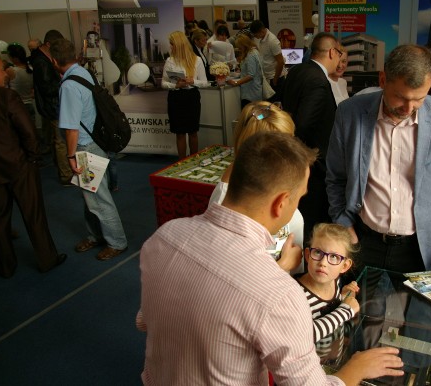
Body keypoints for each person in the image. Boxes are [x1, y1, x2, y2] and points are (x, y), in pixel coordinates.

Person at [139, 131, 404, 385]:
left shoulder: (165, 236)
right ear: (281, 203)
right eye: (299, 198)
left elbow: (144, 319)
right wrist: (354, 370)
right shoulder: (278, 293)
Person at [326, 44, 431, 278]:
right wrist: (344, 225)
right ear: (383, 80)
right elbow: (335, 178)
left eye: (419, 100)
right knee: (362, 311)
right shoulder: (349, 113)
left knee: (419, 315)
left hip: (421, 248)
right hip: (364, 240)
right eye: (401, 97)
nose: (409, 108)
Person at [0, 51, 66, 277]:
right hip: (18, 165)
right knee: (34, 215)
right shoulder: (6, 97)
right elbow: (28, 131)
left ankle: (4, 266)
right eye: (2, 69)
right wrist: (32, 158)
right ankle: (47, 259)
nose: (6, 74)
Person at [50, 38, 129, 261]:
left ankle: (116, 242)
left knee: (98, 199)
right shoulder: (83, 73)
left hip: (85, 148)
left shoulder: (68, 86)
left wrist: (70, 156)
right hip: (96, 143)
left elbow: (71, 129)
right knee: (91, 196)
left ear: (55, 61)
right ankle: (95, 235)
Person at [208, 101, 303, 274]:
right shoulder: (226, 203)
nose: (292, 152)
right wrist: (284, 266)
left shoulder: (267, 180)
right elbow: (234, 275)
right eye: (283, 148)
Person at [283, 32, 340, 241]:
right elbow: (303, 124)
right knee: (313, 220)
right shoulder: (318, 81)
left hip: (298, 160)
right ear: (333, 52)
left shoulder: (297, 70)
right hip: (314, 162)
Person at [296, 223, 360, 343]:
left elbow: (331, 321)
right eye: (318, 253)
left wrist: (343, 297)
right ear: (307, 255)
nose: (323, 263)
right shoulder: (295, 294)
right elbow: (305, 336)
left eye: (334, 257)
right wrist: (346, 309)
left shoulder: (335, 281)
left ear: (344, 266)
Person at [31, 29, 72, 186]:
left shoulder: (44, 60)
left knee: (59, 140)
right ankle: (66, 175)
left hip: (53, 106)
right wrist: (65, 82)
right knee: (61, 140)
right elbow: (47, 89)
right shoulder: (41, 62)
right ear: (48, 44)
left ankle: (63, 170)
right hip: (53, 107)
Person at [161, 31, 208, 159]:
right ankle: (181, 161)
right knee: (179, 133)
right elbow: (163, 83)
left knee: (193, 132)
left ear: (179, 45)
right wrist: (175, 85)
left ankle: (193, 160)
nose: (170, 47)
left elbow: (205, 82)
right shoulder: (170, 61)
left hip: (191, 97)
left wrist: (193, 81)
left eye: (172, 44)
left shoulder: (196, 60)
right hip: (175, 98)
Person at [250, 19, 285, 102]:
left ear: (261, 31)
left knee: (275, 106)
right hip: (267, 78)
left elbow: (280, 62)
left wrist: (275, 79)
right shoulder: (261, 39)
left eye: (256, 34)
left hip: (275, 78)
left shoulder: (272, 41)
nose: (255, 36)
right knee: (268, 104)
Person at [227, 34, 263, 109]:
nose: (239, 49)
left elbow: (250, 75)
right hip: (254, 91)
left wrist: (236, 83)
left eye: (240, 47)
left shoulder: (250, 55)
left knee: (249, 114)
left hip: (250, 93)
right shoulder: (254, 52)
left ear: (244, 45)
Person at [6, 43, 35, 125]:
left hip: (17, 106)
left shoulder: (11, 71)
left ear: (14, 58)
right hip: (29, 105)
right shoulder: (31, 69)